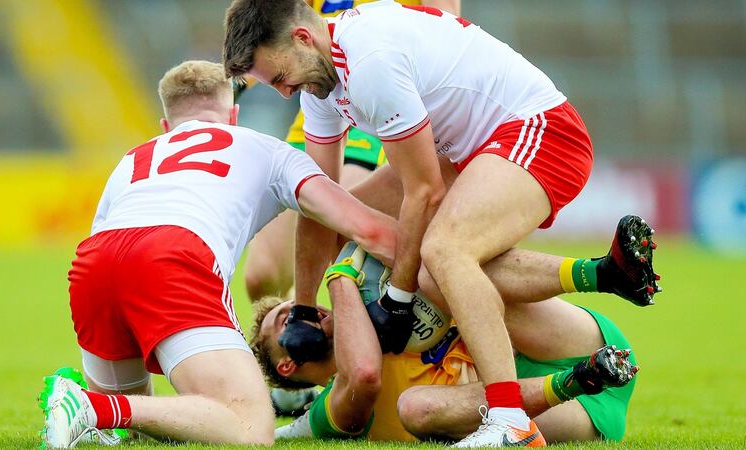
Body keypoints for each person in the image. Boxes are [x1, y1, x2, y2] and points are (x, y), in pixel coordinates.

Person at [223, 1, 659, 445]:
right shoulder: (323, 81)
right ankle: (606, 274)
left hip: (538, 129)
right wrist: (301, 306)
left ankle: (509, 420)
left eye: (278, 78)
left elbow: (424, 190)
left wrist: (397, 296)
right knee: (365, 227)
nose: (283, 93)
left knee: (443, 254)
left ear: (301, 39)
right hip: (474, 148)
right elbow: (320, 208)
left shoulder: (369, 62)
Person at [37, 60, 399, 448]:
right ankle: (91, 407)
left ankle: (92, 410)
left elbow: (106, 237)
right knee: (250, 427)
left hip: (94, 263)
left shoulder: (133, 158)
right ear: (234, 115)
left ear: (166, 126)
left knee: (127, 432)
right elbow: (366, 227)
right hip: (175, 254)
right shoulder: (268, 150)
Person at [250, 245, 638, 444]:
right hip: (571, 404)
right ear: (288, 364)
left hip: (564, 341)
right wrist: (339, 275)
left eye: (299, 307)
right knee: (414, 407)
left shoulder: (386, 304)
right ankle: (586, 377)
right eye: (286, 321)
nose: (303, 312)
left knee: (443, 270)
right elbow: (280, 433)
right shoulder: (334, 405)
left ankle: (603, 272)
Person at [244, 0, 461, 301]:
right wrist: (222, 89)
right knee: (262, 276)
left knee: (342, 234)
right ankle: (300, 325)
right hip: (320, 100)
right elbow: (272, 34)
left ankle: (397, 315)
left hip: (378, 101)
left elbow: (445, 26)